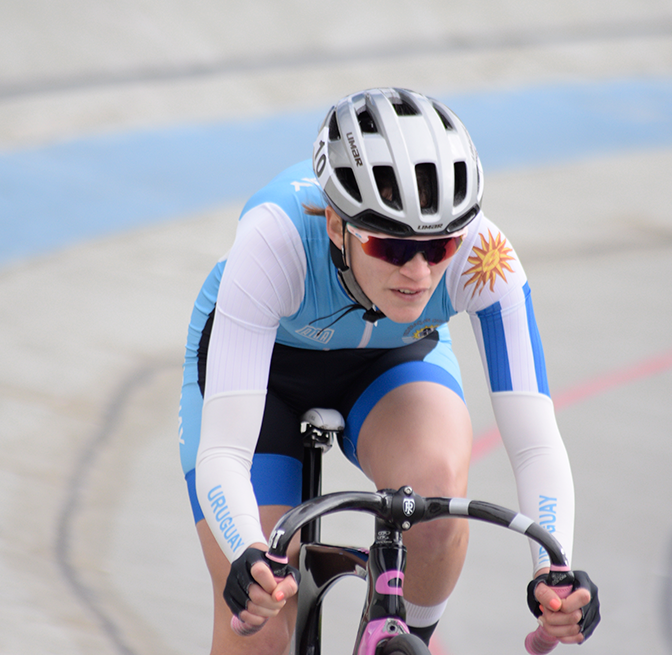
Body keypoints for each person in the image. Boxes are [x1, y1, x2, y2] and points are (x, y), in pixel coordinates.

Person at [179, 87, 600, 654]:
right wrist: (248, 552)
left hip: (387, 364)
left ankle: (401, 640)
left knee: (436, 504)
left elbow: (536, 444)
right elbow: (225, 454)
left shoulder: (484, 258)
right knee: (263, 625)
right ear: (337, 226)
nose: (419, 273)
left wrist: (556, 570)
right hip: (265, 373)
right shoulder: (275, 241)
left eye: (439, 247)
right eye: (392, 249)